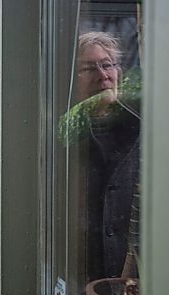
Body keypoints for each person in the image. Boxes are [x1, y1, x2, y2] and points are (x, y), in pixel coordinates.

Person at [60, 31, 141, 281]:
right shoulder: (64, 135)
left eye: (107, 65)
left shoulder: (140, 127)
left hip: (132, 276)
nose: (103, 75)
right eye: (89, 68)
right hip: (77, 276)